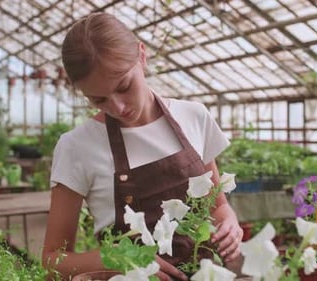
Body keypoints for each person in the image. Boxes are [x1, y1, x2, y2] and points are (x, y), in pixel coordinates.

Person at [42, 12, 243, 281]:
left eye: (124, 86)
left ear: (142, 56)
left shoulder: (194, 116)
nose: (118, 107)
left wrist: (229, 224)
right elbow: (52, 258)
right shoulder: (76, 146)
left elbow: (218, 206)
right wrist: (115, 257)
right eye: (98, 99)